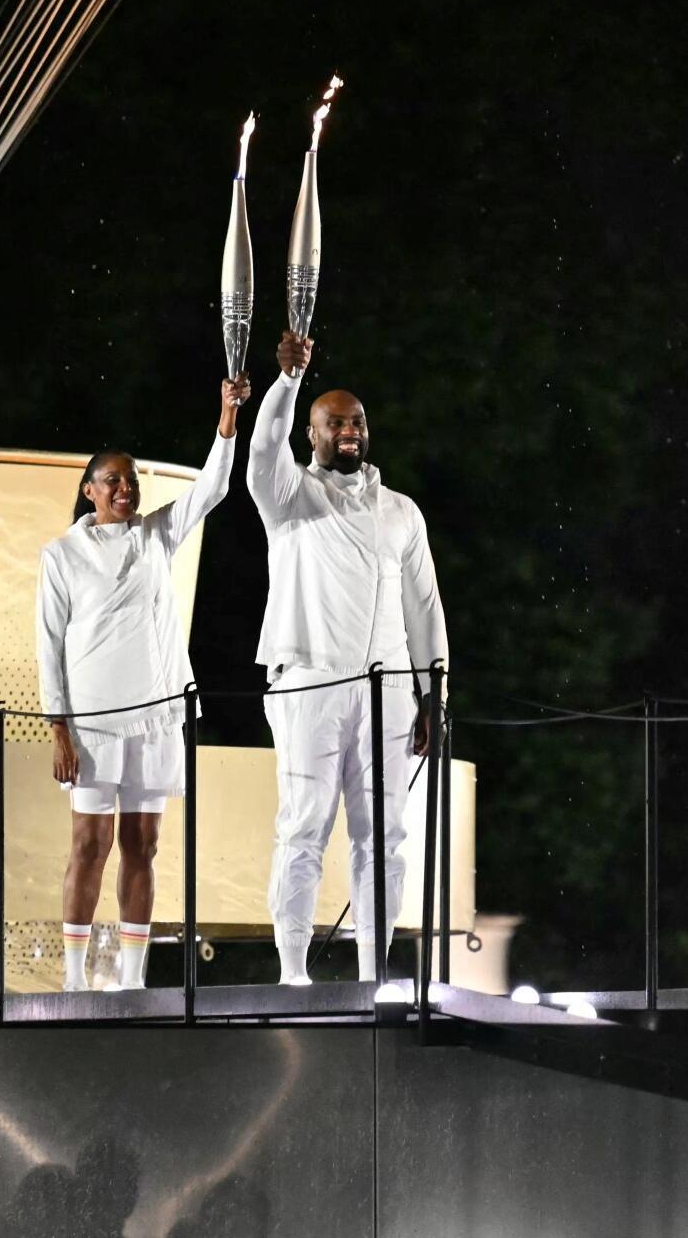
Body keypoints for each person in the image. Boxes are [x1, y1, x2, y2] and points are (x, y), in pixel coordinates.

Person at [247, 329, 448, 986]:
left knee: (383, 835)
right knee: (304, 825)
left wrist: (433, 694)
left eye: (356, 420)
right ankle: (293, 973)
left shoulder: (402, 513)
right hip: (309, 678)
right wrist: (287, 381)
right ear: (312, 434)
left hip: (389, 688)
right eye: (334, 423)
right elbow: (259, 453)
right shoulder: (290, 498)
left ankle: (373, 974)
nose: (349, 431)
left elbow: (424, 609)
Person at [36, 374, 251, 990]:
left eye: (131, 480)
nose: (125, 488)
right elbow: (48, 644)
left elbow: (212, 488)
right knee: (88, 846)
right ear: (89, 491)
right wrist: (59, 729)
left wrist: (226, 416)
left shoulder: (158, 535)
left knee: (144, 845)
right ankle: (75, 979)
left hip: (157, 717)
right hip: (93, 724)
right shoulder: (62, 556)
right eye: (112, 481)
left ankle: (132, 979)